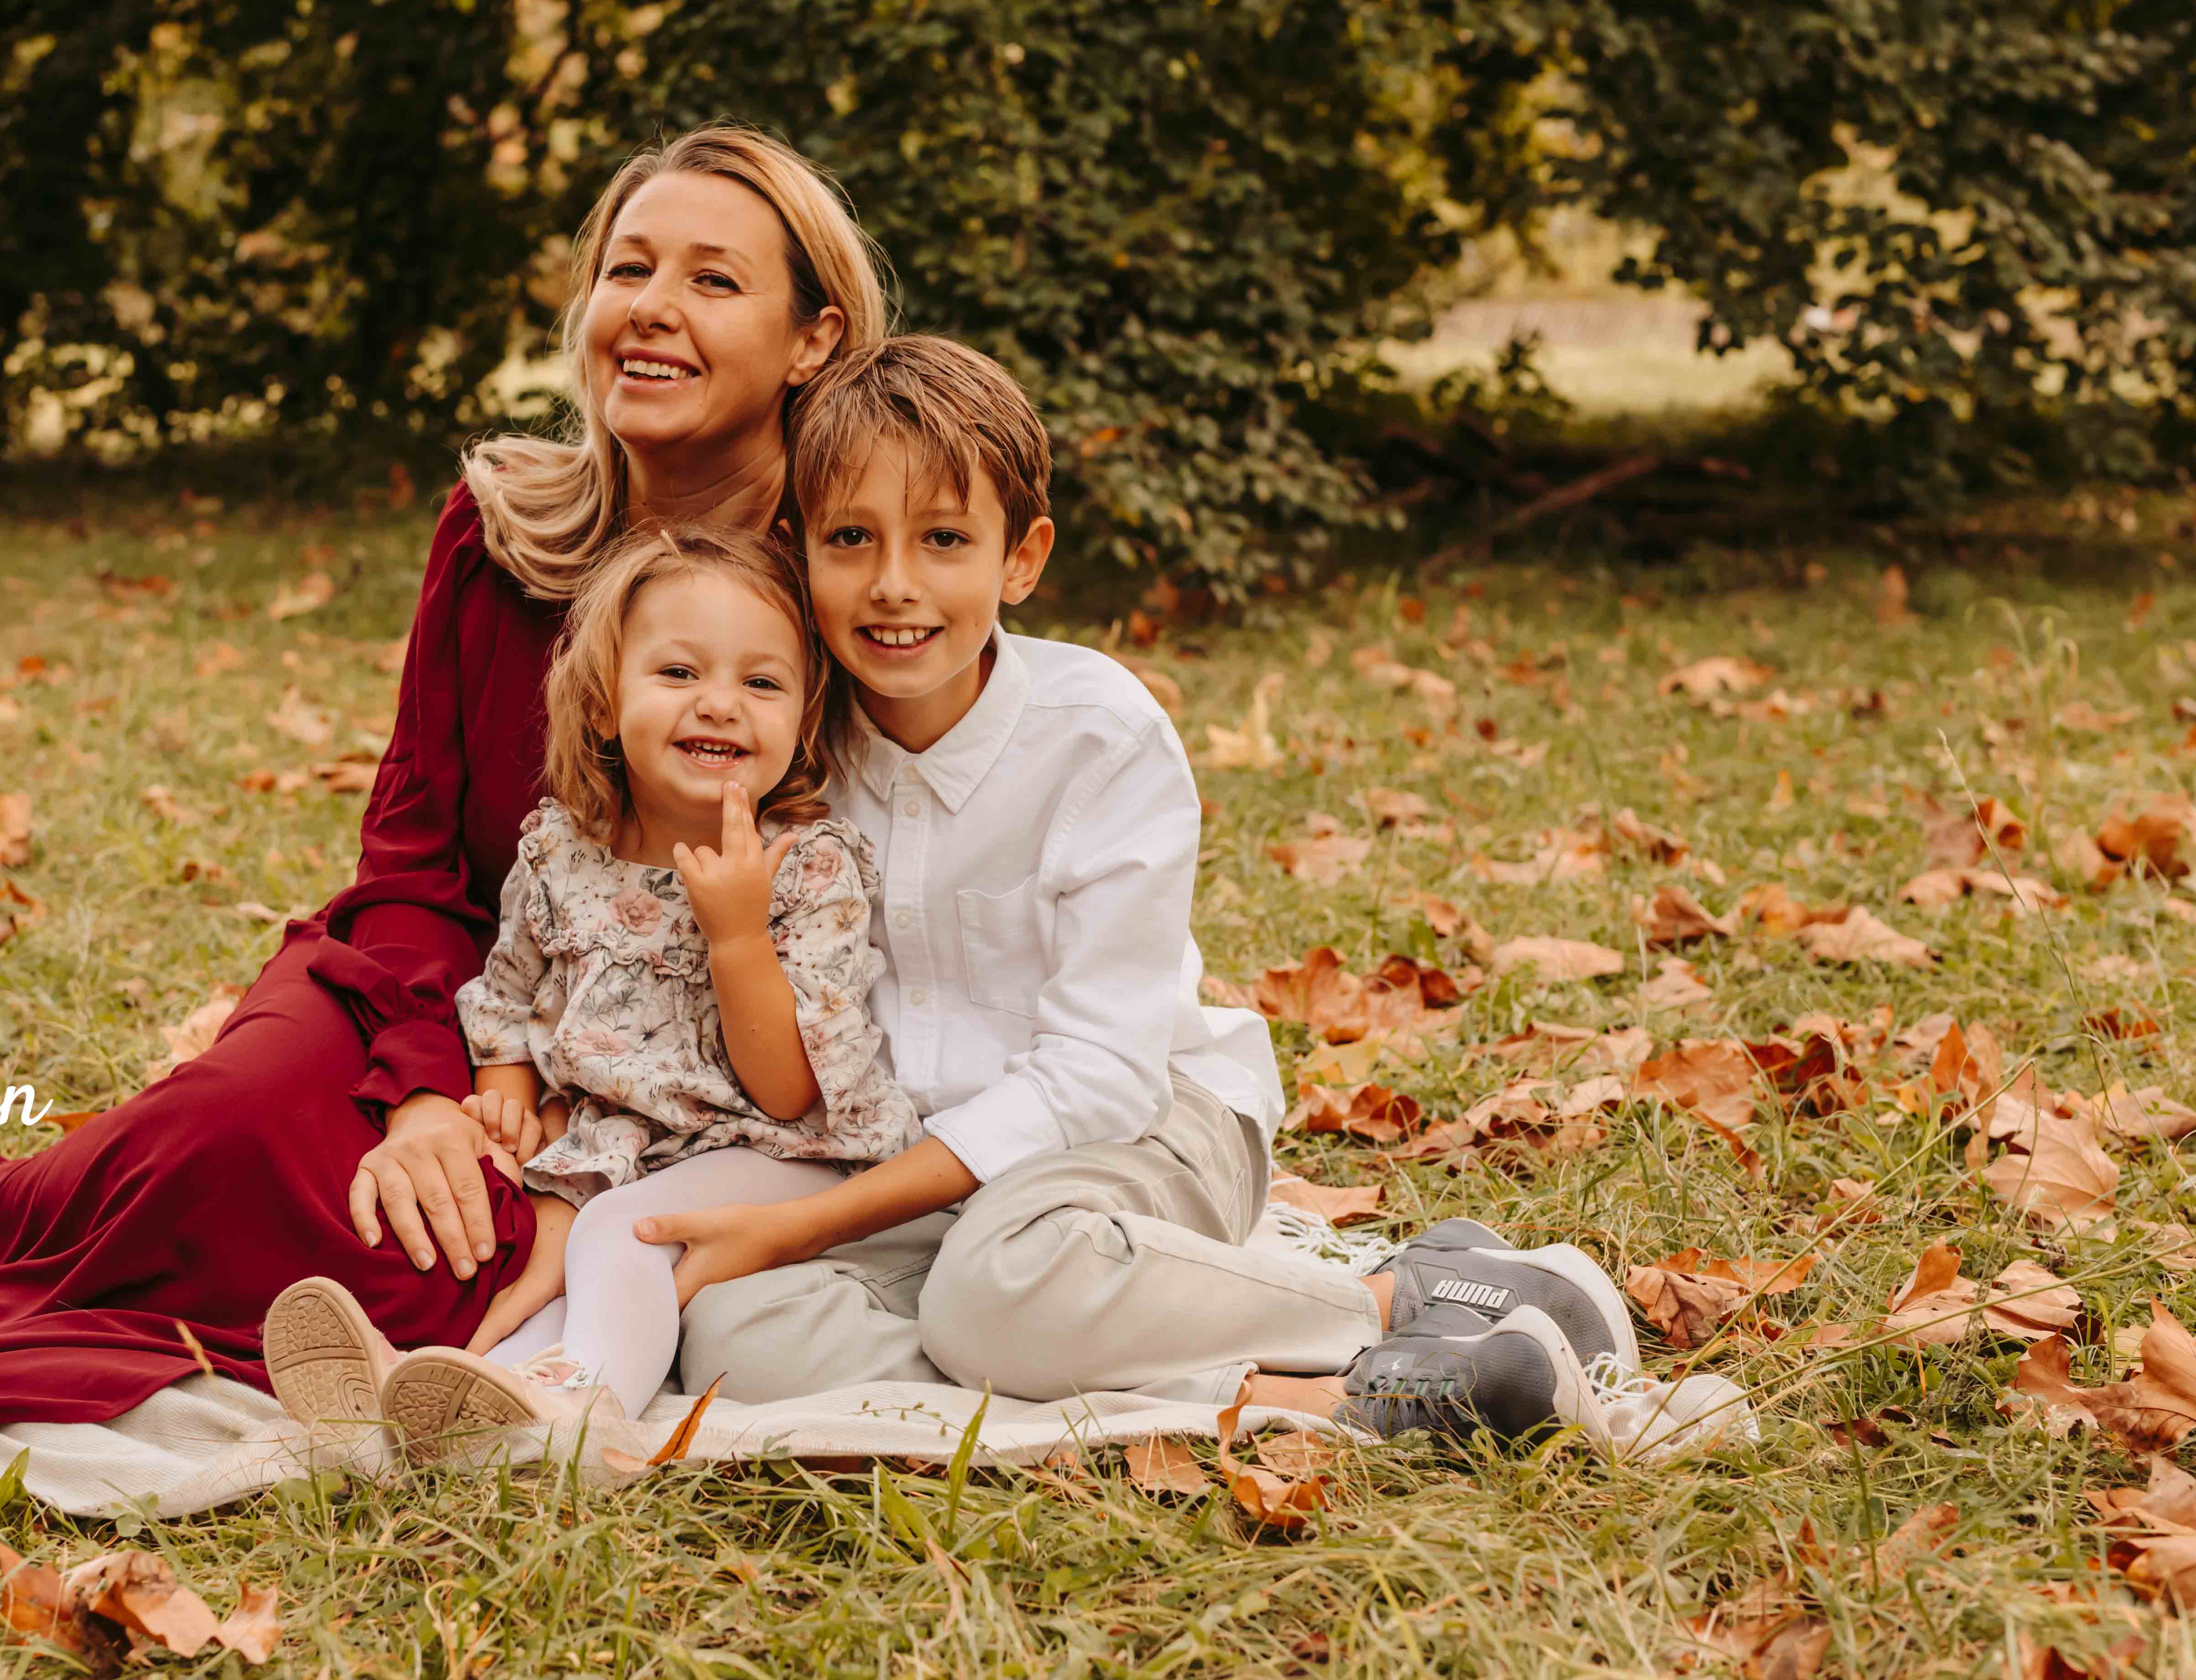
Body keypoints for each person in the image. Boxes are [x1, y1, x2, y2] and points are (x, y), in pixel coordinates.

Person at [0, 123, 890, 1444]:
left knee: (406, 1261)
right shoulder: (499, 531)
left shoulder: (840, 584)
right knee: (211, 1153)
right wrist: (422, 1096)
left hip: (668, 1087)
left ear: (810, 338)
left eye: (713, 281)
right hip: (432, 991)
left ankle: (436, 1346)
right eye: (626, 269)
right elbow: (408, 865)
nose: (651, 306)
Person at [630, 335, 1739, 1455]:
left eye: (945, 540)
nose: (894, 585)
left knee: (990, 1296)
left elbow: (1096, 1078)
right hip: (919, 1175)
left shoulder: (1097, 733)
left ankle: (1410, 1295)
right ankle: (1354, 1390)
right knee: (739, 1330)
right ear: (797, 549)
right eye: (850, 539)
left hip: (1151, 1123)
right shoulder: (792, 741)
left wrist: (805, 1222)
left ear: (1022, 559)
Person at [262, 521, 922, 1460]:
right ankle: (435, 1394)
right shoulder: (563, 850)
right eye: (680, 673)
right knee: (544, 1258)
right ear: (606, 703)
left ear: (804, 721)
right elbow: (506, 1001)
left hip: (783, 1151)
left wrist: (736, 931)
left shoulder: (805, 866)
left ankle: (592, 1412)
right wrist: (505, 1108)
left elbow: (788, 1089)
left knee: (619, 1232)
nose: (722, 705)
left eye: (761, 683)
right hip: (616, 1143)